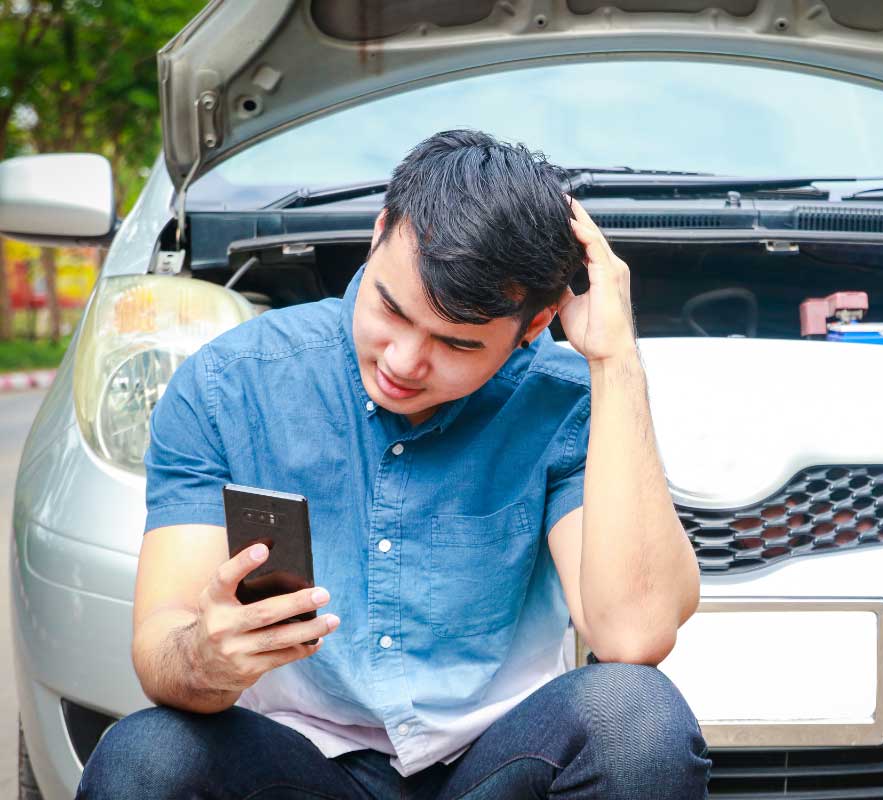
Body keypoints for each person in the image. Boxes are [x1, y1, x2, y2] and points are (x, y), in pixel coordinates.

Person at [77, 130, 710, 799]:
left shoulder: (562, 400)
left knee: (636, 718)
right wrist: (205, 654)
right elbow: (160, 648)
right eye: (390, 309)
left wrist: (615, 360)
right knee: (145, 754)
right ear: (380, 232)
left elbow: (634, 635)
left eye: (455, 342)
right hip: (300, 767)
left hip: (494, 768)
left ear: (534, 323)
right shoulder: (227, 387)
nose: (404, 362)